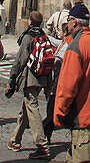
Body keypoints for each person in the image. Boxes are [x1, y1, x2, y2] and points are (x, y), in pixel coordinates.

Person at [53, 7, 90, 162]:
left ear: (74, 22)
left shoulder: (75, 47)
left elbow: (68, 87)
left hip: (83, 115)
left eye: (68, 21)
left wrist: (59, 113)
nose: (67, 24)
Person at [6, 9, 53, 158]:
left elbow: (20, 60)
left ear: (30, 22)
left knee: (32, 107)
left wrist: (12, 79)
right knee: (26, 108)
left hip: (31, 78)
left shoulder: (28, 37)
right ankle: (15, 140)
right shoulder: (44, 36)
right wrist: (48, 84)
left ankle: (42, 145)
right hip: (42, 77)